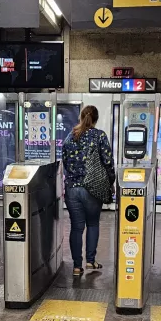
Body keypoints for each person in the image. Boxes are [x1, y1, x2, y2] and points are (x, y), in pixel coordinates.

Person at [61, 105, 115, 277]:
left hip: (72, 189)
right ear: (96, 119)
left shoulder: (70, 137)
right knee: (92, 224)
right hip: (92, 188)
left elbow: (65, 162)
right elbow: (108, 162)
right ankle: (90, 261)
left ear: (81, 117)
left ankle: (77, 266)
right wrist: (110, 181)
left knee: (76, 228)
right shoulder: (99, 136)